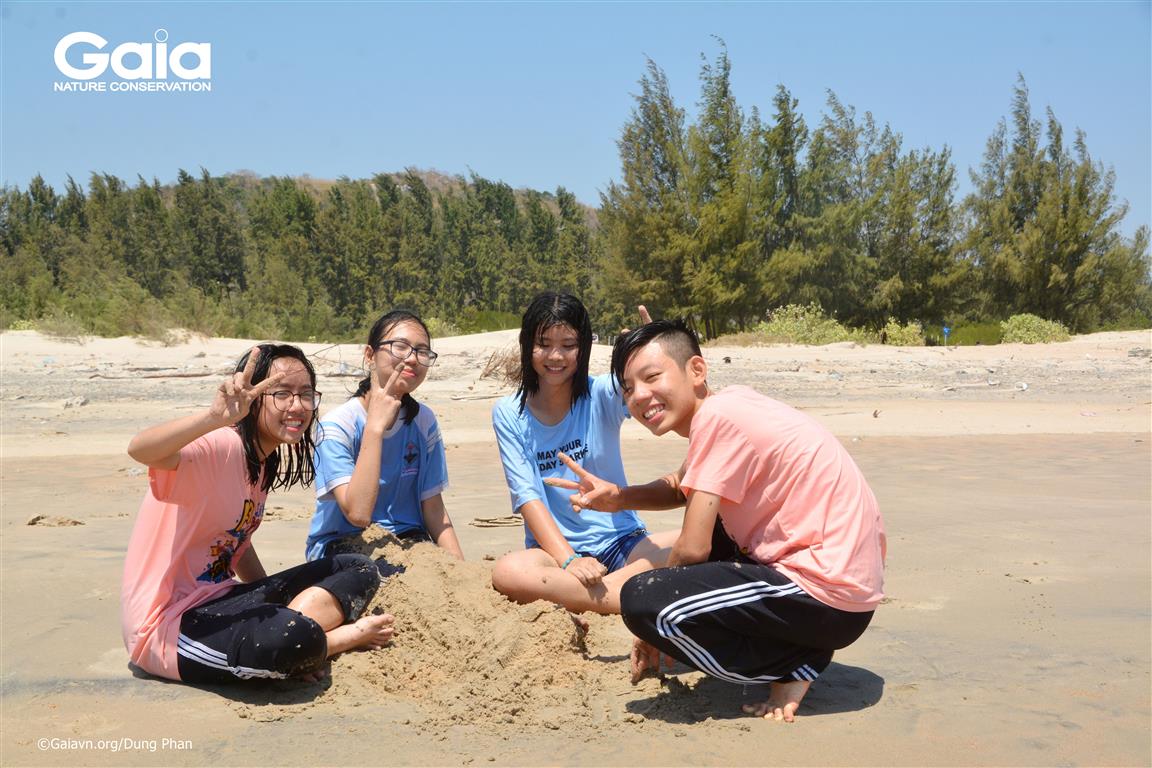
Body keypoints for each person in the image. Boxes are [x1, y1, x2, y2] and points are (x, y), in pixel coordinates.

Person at [553, 319, 886, 722]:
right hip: (845, 591)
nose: (638, 396)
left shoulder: (717, 419)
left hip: (825, 595)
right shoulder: (730, 405)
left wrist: (653, 620)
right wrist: (619, 497)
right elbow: (683, 486)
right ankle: (794, 649)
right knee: (700, 540)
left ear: (696, 370)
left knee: (641, 599)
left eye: (652, 377)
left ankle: (792, 662)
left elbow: (692, 549)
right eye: (627, 388)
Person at [121, 344, 395, 684]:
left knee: (358, 567)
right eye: (282, 394)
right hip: (166, 627)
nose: (297, 405)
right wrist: (212, 419)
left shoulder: (261, 463)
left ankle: (300, 638)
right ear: (254, 400)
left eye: (305, 394)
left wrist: (267, 595)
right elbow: (141, 450)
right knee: (290, 640)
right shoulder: (223, 445)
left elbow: (236, 541)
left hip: (221, 599)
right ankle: (330, 640)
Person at [489, 293, 679, 617]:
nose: (555, 356)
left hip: (622, 541)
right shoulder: (509, 413)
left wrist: (659, 356)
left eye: (568, 345)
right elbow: (527, 496)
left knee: (701, 540)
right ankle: (625, 592)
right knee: (509, 572)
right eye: (543, 344)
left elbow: (659, 394)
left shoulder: (602, 393)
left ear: (584, 347)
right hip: (553, 554)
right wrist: (570, 560)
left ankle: (603, 595)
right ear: (527, 344)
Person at [307, 310, 463, 561]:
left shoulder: (423, 421)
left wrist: (458, 566)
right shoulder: (337, 425)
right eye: (400, 347)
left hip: (409, 539)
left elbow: (433, 507)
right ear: (370, 355)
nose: (412, 359)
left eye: (422, 351)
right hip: (342, 543)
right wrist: (375, 428)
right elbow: (358, 514)